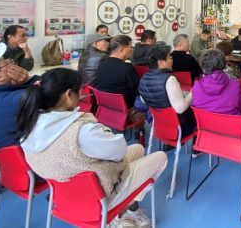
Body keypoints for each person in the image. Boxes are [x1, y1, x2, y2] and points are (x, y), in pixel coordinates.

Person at [16, 68, 168, 228]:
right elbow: (119, 151)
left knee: (137, 148)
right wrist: (101, 129)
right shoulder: (81, 131)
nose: (82, 93)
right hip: (99, 196)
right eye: (80, 89)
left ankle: (128, 210)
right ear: (68, 95)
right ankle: (126, 211)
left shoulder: (29, 127)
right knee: (161, 158)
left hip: (65, 194)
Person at [139, 43, 199, 156]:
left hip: (158, 125)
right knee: (199, 115)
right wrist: (193, 91)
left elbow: (144, 100)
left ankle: (170, 143)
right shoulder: (169, 79)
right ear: (161, 62)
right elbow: (180, 108)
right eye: (169, 57)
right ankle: (196, 149)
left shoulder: (144, 77)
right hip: (179, 127)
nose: (172, 60)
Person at [192, 49, 241, 134]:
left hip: (207, 130)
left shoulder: (196, 87)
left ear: (203, 65)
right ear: (223, 63)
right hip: (234, 132)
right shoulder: (234, 86)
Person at [95, 35, 148, 122]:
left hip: (107, 109)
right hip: (127, 110)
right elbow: (140, 90)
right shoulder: (126, 68)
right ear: (122, 50)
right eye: (130, 46)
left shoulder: (101, 65)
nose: (132, 50)